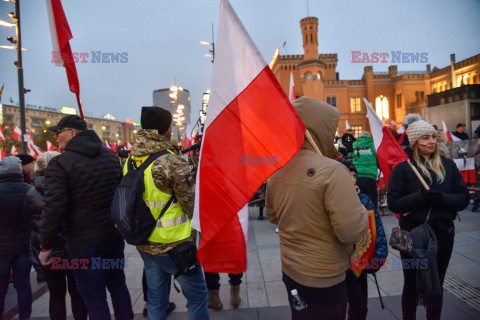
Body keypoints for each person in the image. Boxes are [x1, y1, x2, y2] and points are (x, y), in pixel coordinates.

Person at [266, 97, 368, 320]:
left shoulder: (277, 169)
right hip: (325, 275)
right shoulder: (333, 171)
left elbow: (272, 216)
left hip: (291, 269)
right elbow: (351, 231)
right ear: (319, 129)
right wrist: (358, 206)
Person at [38, 115, 133, 320]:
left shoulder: (60, 164)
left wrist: (45, 246)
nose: (56, 137)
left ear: (72, 132)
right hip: (112, 237)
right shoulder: (109, 156)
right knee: (118, 287)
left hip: (82, 244)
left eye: (59, 132)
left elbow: (53, 208)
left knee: (94, 298)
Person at [131, 106, 208, 320]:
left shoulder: (131, 159)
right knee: (197, 298)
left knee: (156, 300)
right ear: (165, 130)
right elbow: (192, 204)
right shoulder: (170, 161)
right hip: (176, 245)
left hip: (145, 242)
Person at [388, 120, 470, 320]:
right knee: (411, 283)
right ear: (415, 141)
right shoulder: (402, 169)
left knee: (436, 282)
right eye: (425, 138)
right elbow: (393, 203)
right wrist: (419, 197)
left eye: (434, 137)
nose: (432, 141)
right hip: (408, 233)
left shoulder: (448, 166)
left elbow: (463, 197)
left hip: (442, 232)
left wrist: (442, 199)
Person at [25, 151, 87, 320]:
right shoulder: (71, 188)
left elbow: (30, 221)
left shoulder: (31, 193)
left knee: (56, 294)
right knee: (78, 293)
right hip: (72, 245)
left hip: (47, 248)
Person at [336, 157, 387, 320]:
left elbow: (376, 230)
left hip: (359, 264)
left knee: (359, 306)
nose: (352, 178)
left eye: (353, 175)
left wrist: (377, 259)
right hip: (336, 265)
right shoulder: (330, 202)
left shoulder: (364, 200)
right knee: (337, 307)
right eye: (346, 174)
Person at [0, 156, 33, 320]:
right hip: (23, 246)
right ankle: (25, 317)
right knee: (23, 284)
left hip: (2, 248)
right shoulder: (29, 190)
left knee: (1, 288)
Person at [348, 131, 379, 207]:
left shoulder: (354, 144)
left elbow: (349, 158)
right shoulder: (373, 145)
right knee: (372, 202)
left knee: (357, 202)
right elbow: (379, 160)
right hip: (370, 177)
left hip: (357, 177)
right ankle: (372, 216)